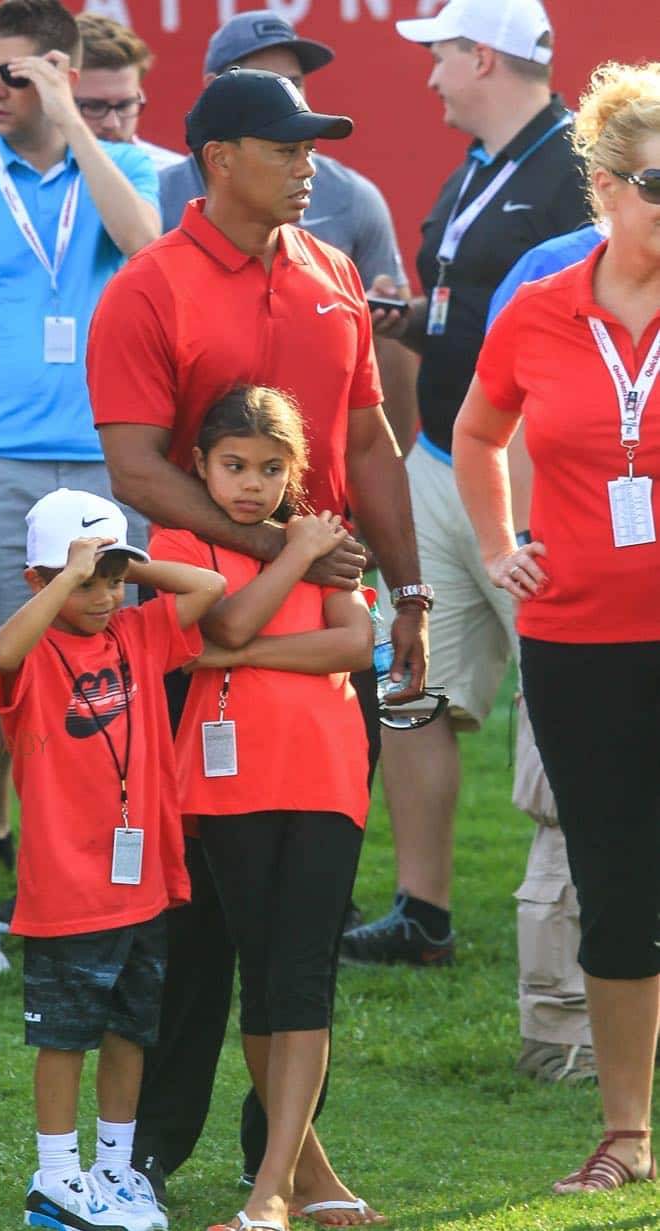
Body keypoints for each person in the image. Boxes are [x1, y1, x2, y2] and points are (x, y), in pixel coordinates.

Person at [87, 68, 430, 1211]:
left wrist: (412, 589)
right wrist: (292, 539)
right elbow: (134, 466)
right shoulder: (148, 289)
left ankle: (283, 1161)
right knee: (196, 921)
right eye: (288, 146)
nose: (311, 161)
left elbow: (371, 443)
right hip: (199, 620)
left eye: (315, 144)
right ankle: (161, 1150)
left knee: (304, 914)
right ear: (219, 158)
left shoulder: (334, 271)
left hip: (327, 623)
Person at [0, 0, 161, 970]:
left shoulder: (131, 166)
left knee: (112, 683)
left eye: (11, 75)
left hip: (112, 459)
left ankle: (89, 889)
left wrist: (74, 119)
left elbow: (146, 251)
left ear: (55, 71)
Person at [343, 0, 590, 968]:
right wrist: (406, 323)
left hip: (536, 478)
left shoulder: (579, 171)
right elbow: (472, 307)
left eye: (440, 56)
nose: (430, 76)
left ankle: (584, 905)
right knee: (412, 686)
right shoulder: (477, 172)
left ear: (482, 57)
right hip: (442, 460)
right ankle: (423, 910)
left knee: (571, 692)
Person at [453, 60, 660, 1192]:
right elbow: (478, 434)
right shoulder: (538, 306)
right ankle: (627, 1135)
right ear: (604, 184)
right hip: (579, 641)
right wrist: (498, 545)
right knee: (619, 885)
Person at [150, 386, 383, 1231]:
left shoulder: (330, 540)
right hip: (229, 783)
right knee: (263, 977)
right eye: (234, 466)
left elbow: (356, 645)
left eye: (272, 469)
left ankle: (273, 1191)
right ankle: (303, 1178)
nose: (251, 484)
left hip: (327, 774)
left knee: (303, 977)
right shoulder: (178, 539)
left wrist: (230, 653)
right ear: (202, 466)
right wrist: (292, 560)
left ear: (298, 472)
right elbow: (236, 609)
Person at [0, 487, 223, 1231]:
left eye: (111, 580)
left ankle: (114, 1170)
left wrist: (128, 566)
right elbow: (0, 654)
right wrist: (66, 576)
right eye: (86, 580)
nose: (102, 595)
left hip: (142, 883)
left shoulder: (137, 632)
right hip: (67, 888)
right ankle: (56, 1178)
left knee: (130, 1030)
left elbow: (209, 588)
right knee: (64, 1037)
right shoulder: (32, 649)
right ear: (41, 580)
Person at [159, 8, 417, 456]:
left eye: (294, 81)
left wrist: (383, 469)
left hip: (319, 475)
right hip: (196, 469)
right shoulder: (157, 195)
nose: (283, 93)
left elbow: (386, 364)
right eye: (259, 78)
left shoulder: (354, 198)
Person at [486, 224, 603, 1084]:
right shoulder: (548, 277)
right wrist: (526, 548)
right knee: (569, 814)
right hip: (578, 601)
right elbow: (500, 425)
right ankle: (559, 1032)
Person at [75, 12, 184, 172]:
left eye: (125, 105)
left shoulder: (176, 180)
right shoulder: (26, 182)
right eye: (94, 107)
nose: (112, 124)